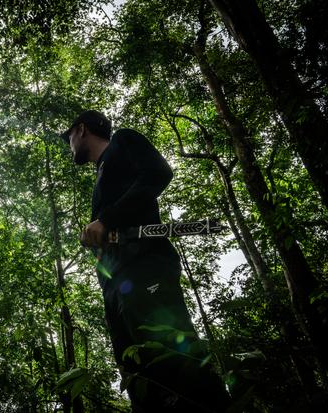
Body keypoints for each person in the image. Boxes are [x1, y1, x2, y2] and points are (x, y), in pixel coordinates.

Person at [61, 110, 230, 412]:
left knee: (172, 360)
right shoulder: (101, 179)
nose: (68, 143)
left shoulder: (123, 141)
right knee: (139, 374)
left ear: (82, 129)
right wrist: (97, 236)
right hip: (115, 287)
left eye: (68, 135)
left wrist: (106, 219)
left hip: (145, 267)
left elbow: (158, 173)